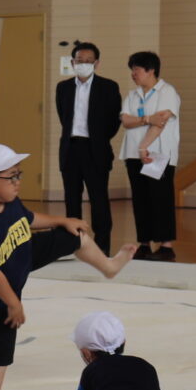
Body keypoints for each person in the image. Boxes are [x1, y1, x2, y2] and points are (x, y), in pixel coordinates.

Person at [0, 144, 136, 390]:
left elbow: (29, 220)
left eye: (19, 175)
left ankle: (108, 266)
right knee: (2, 351)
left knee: (74, 235)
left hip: (24, 255)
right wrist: (13, 303)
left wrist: (62, 220)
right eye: (11, 177)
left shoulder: (9, 202)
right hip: (0, 290)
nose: (18, 182)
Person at [55, 42, 123, 253]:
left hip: (95, 150)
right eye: (79, 61)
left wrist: (98, 139)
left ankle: (102, 248)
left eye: (88, 61)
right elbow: (63, 117)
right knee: (71, 200)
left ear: (97, 63)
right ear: (73, 62)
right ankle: (74, 246)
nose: (83, 64)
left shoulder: (109, 87)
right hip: (71, 149)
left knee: (99, 200)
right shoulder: (63, 87)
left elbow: (114, 121)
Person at [120, 51, 181, 261]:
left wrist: (144, 145)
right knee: (141, 199)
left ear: (150, 70)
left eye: (136, 70)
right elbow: (126, 121)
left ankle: (166, 245)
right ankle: (144, 243)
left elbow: (161, 121)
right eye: (132, 70)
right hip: (134, 155)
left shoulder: (167, 91)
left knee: (160, 198)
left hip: (158, 155)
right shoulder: (132, 95)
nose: (133, 74)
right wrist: (147, 118)